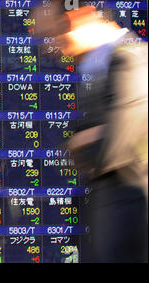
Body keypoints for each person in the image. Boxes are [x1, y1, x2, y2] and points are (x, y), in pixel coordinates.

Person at [35, 1, 148, 262]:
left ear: (79, 17)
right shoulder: (103, 66)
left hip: (131, 227)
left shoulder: (129, 58)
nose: (53, 49)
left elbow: (114, 146)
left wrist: (82, 142)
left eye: (55, 35)